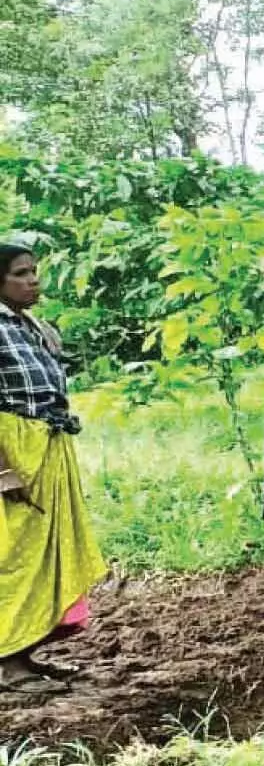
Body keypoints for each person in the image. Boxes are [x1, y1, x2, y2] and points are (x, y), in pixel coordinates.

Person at [0, 244, 107, 694]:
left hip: (45, 445)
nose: (33, 281)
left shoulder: (29, 326)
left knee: (43, 554)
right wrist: (3, 472)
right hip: (14, 448)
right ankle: (7, 664)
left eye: (34, 272)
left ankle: (25, 654)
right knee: (15, 556)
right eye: (21, 273)